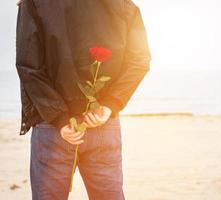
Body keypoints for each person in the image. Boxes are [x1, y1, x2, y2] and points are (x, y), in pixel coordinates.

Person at [15, 0, 151, 199]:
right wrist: (109, 105)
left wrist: (59, 118)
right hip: (100, 121)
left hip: (54, 128)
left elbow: (28, 65)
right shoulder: (123, 3)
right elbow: (139, 59)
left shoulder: (34, 2)